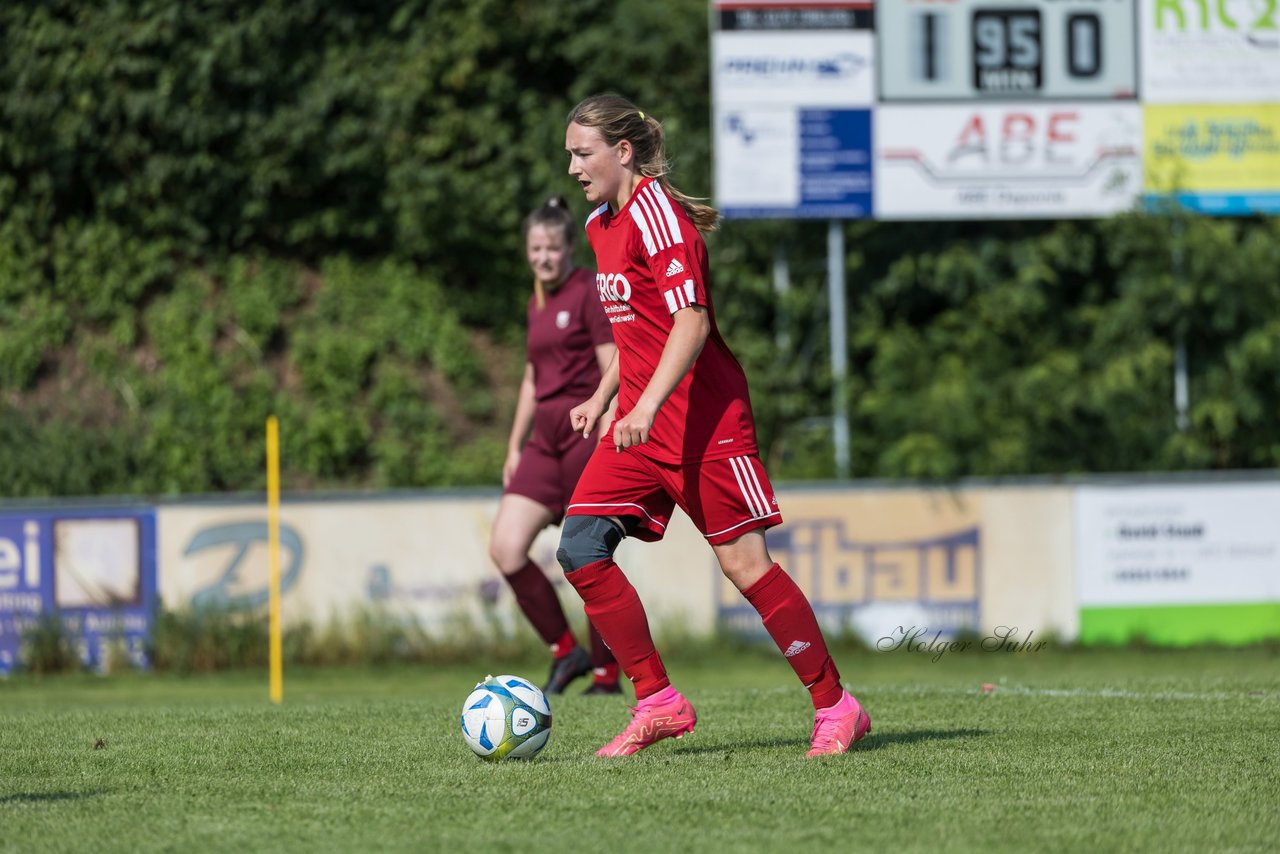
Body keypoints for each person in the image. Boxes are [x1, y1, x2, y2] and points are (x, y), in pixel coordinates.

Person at [555, 94, 871, 757]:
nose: (575, 169)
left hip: (704, 422)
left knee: (746, 567)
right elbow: (633, 326)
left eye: (583, 155)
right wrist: (607, 393)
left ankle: (836, 705)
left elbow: (691, 322)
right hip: (642, 426)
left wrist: (642, 407)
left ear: (623, 152)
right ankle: (658, 700)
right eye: (570, 156)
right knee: (579, 546)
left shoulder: (660, 219)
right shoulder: (599, 225)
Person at [489, 196, 621, 696]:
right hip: (543, 444)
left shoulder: (588, 290)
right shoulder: (536, 300)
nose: (542, 258)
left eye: (551, 248)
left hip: (584, 435)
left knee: (586, 556)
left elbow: (615, 360)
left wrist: (610, 424)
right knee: (505, 548)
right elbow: (530, 377)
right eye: (534, 249)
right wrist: (514, 446)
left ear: (569, 248)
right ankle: (568, 653)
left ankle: (608, 677)